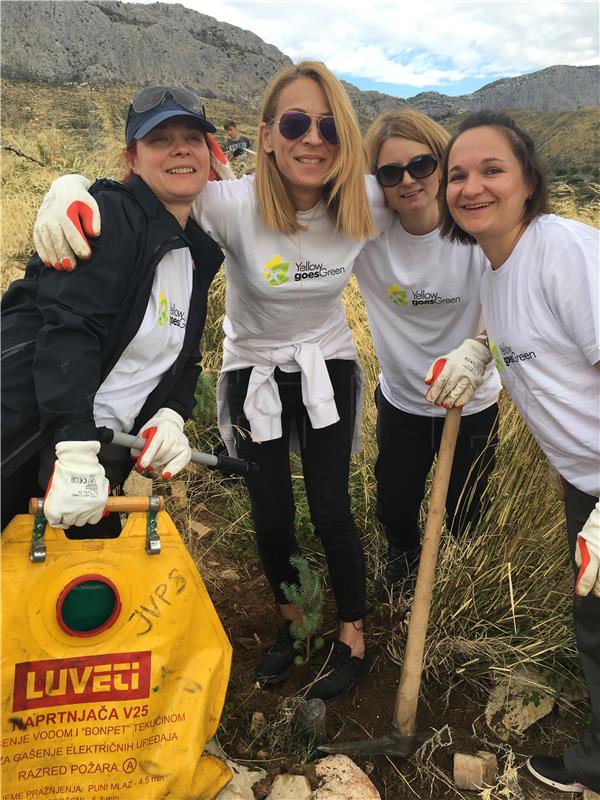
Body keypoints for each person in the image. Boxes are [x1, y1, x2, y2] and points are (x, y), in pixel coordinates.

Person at [29, 61, 394, 701]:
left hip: (326, 365)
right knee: (273, 512)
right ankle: (291, 626)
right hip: (251, 372)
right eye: (295, 123)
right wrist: (65, 190)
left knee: (332, 507)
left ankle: (351, 634)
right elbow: (141, 192)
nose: (314, 139)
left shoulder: (368, 198)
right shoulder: (229, 202)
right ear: (268, 136)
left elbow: (444, 200)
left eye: (330, 126)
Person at [435, 109, 600, 795]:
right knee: (594, 623)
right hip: (584, 483)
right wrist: (481, 348)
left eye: (491, 170)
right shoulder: (495, 265)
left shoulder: (563, 250)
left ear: (528, 180)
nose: (471, 187)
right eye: (457, 175)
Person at [1, 87, 225, 532]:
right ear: (133, 159)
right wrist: (75, 448)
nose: (180, 147)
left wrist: (171, 416)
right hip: (27, 440)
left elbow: (185, 360)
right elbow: (70, 330)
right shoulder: (110, 217)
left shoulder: (194, 253)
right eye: (160, 139)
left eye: (192, 137)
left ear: (208, 153)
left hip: (93, 451)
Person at [353, 109, 501, 585]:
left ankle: (455, 576)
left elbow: (522, 309)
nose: (409, 181)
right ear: (377, 182)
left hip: (472, 399)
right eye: (391, 173)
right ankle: (403, 551)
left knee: (465, 506)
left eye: (421, 165)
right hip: (403, 401)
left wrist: (480, 350)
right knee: (395, 499)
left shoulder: (479, 232)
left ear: (441, 163)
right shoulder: (365, 241)